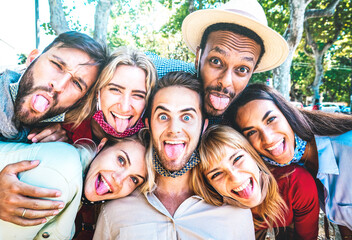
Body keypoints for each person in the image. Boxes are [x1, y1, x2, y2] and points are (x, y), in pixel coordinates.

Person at [93, 71, 255, 239]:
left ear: (203, 126)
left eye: (187, 117)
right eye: (163, 116)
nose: (174, 129)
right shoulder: (114, 210)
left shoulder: (236, 212)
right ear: (149, 125)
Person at [0, 31, 107, 239]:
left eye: (77, 84)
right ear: (32, 58)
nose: (58, 86)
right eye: (57, 66)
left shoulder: (51, 129)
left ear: (78, 102)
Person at [226, 83, 352, 239]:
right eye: (252, 132)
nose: (268, 138)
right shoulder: (295, 169)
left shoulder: (347, 148)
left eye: (270, 119)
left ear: (288, 114)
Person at [147, 0, 288, 121]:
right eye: (216, 61)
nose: (226, 81)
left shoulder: (249, 118)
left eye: (242, 69)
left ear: (253, 72)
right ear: (198, 57)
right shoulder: (156, 73)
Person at [193, 125, 319, 239]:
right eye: (216, 174)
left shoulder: (296, 182)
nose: (235, 178)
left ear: (253, 155)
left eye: (237, 159)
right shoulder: (211, 214)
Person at [63, 46, 157, 143]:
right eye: (115, 90)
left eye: (138, 95)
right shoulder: (68, 126)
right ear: (97, 92)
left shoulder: (152, 139)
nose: (124, 108)